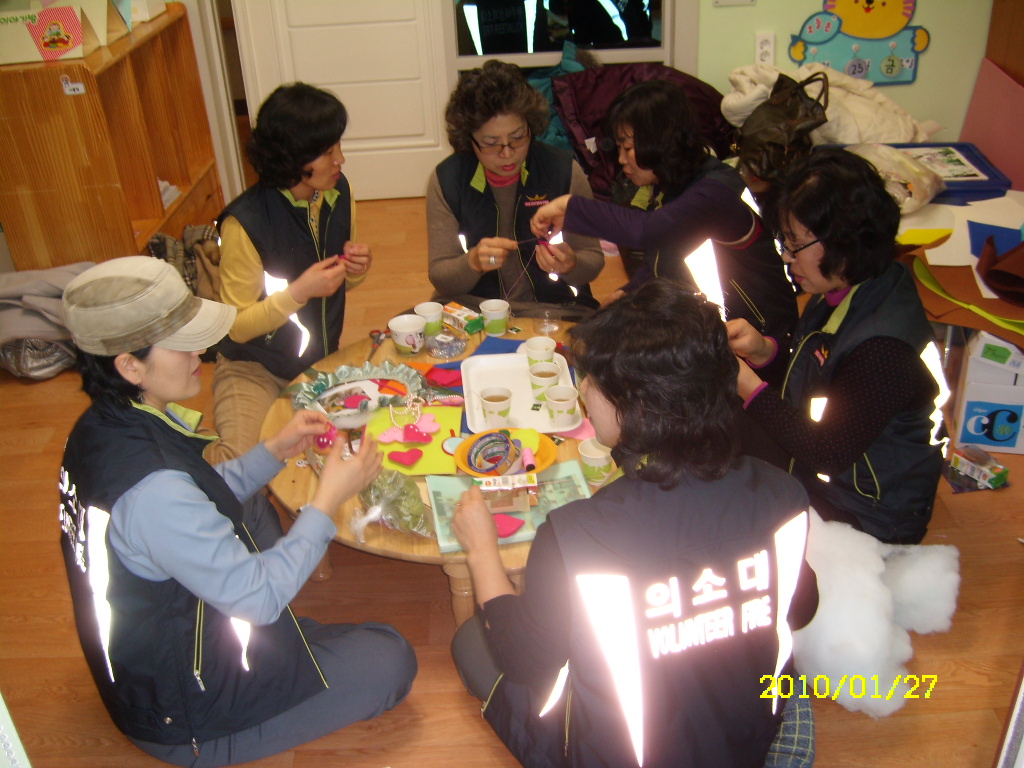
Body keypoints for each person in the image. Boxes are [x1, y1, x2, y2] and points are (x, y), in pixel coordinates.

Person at [58, 257, 416, 767]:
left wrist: (273, 451)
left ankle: (287, 640)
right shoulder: (155, 491)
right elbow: (256, 596)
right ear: (130, 366)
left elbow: (194, 497)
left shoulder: (100, 427)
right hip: (186, 718)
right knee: (390, 656)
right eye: (181, 344)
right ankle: (281, 657)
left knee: (251, 511)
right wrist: (327, 501)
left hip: (154, 659)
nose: (199, 353)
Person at [450, 280, 818, 768]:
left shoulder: (576, 536)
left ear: (636, 407)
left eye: (591, 381)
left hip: (620, 756)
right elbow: (801, 607)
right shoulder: (781, 492)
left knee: (472, 643)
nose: (582, 390)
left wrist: (481, 552)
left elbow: (526, 662)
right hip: (747, 737)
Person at [727, 148, 944, 545]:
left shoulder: (881, 347)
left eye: (794, 244)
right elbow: (819, 375)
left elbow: (827, 453)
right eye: (784, 241)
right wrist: (764, 352)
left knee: (726, 504)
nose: (787, 257)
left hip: (871, 513)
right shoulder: (848, 286)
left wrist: (749, 387)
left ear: (841, 240)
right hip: (833, 475)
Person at [529, 79, 798, 385]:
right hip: (719, 332)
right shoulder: (677, 184)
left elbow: (647, 231)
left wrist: (571, 206)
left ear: (660, 141)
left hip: (763, 342)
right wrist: (625, 295)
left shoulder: (716, 191)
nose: (621, 159)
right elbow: (665, 258)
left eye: (627, 148)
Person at [209, 82, 372, 463]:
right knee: (240, 461)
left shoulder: (338, 193)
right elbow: (236, 327)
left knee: (363, 440)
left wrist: (356, 269)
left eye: (338, 146)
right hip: (254, 367)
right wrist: (299, 292)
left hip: (316, 362)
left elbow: (343, 282)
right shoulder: (244, 223)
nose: (340, 159)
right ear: (293, 157)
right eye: (328, 151)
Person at [427, 59, 605, 319]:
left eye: (518, 137)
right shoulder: (448, 179)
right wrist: (472, 262)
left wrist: (571, 264)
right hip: (474, 309)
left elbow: (593, 259)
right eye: (491, 143)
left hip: (555, 310)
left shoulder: (563, 171)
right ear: (468, 139)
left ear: (531, 126)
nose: (507, 154)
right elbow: (441, 277)